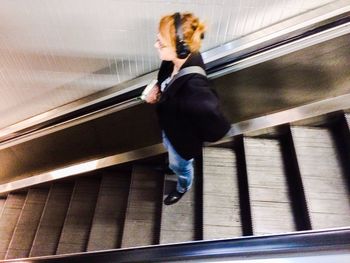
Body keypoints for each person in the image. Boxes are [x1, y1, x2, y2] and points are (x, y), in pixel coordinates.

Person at [145, 12, 231, 205]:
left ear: (181, 49)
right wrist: (160, 93)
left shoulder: (197, 95)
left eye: (161, 43)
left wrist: (189, 130)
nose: (155, 45)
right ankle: (171, 166)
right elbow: (172, 87)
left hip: (182, 142)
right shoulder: (173, 61)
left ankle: (183, 185)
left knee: (180, 166)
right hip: (169, 129)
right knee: (170, 152)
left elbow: (217, 130)